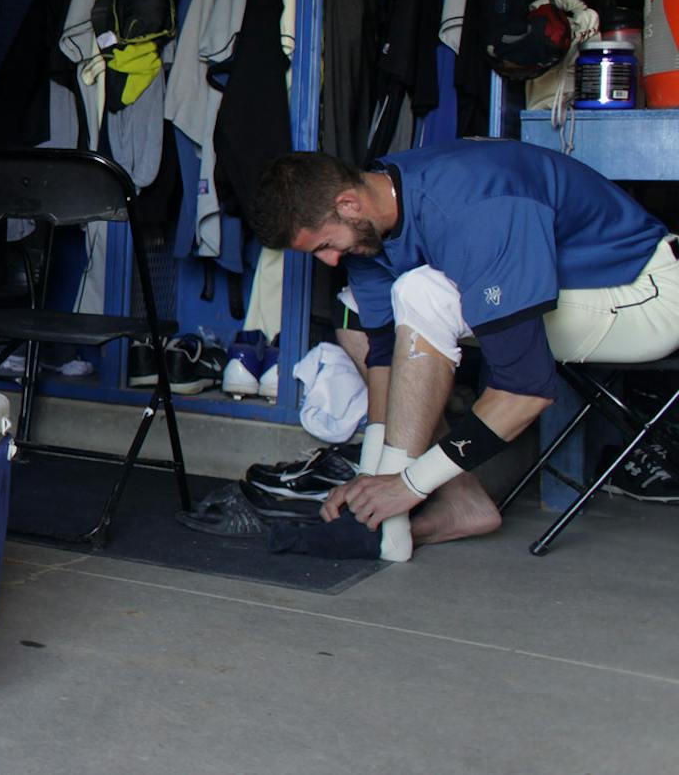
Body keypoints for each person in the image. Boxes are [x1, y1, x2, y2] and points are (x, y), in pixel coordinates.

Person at [249, 139, 679, 557]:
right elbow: (384, 355)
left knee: (422, 291)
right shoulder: (376, 213)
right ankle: (451, 505)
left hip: (646, 291)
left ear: (348, 204)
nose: (329, 261)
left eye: (324, 245)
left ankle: (397, 510)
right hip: (571, 288)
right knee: (355, 315)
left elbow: (526, 387)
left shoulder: (475, 207)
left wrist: (409, 485)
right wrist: (370, 478)